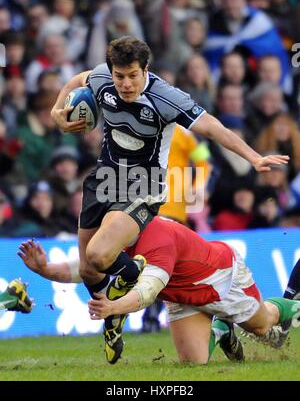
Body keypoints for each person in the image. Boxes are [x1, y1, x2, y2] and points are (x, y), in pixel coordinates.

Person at [50, 36, 289, 360]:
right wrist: (56, 109)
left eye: (133, 75)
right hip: (103, 179)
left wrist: (254, 157)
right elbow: (79, 79)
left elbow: (213, 129)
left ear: (145, 69)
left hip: (143, 186)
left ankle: (133, 279)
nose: (125, 83)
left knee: (98, 254)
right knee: (92, 271)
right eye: (119, 76)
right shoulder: (102, 78)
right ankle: (116, 314)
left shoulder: (165, 97)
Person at [18, 217, 299, 365]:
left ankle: (291, 302)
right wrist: (45, 269)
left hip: (220, 281)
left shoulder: (158, 240)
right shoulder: (122, 232)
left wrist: (113, 308)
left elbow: (148, 291)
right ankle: (222, 331)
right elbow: (88, 267)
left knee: (264, 328)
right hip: (180, 295)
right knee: (194, 364)